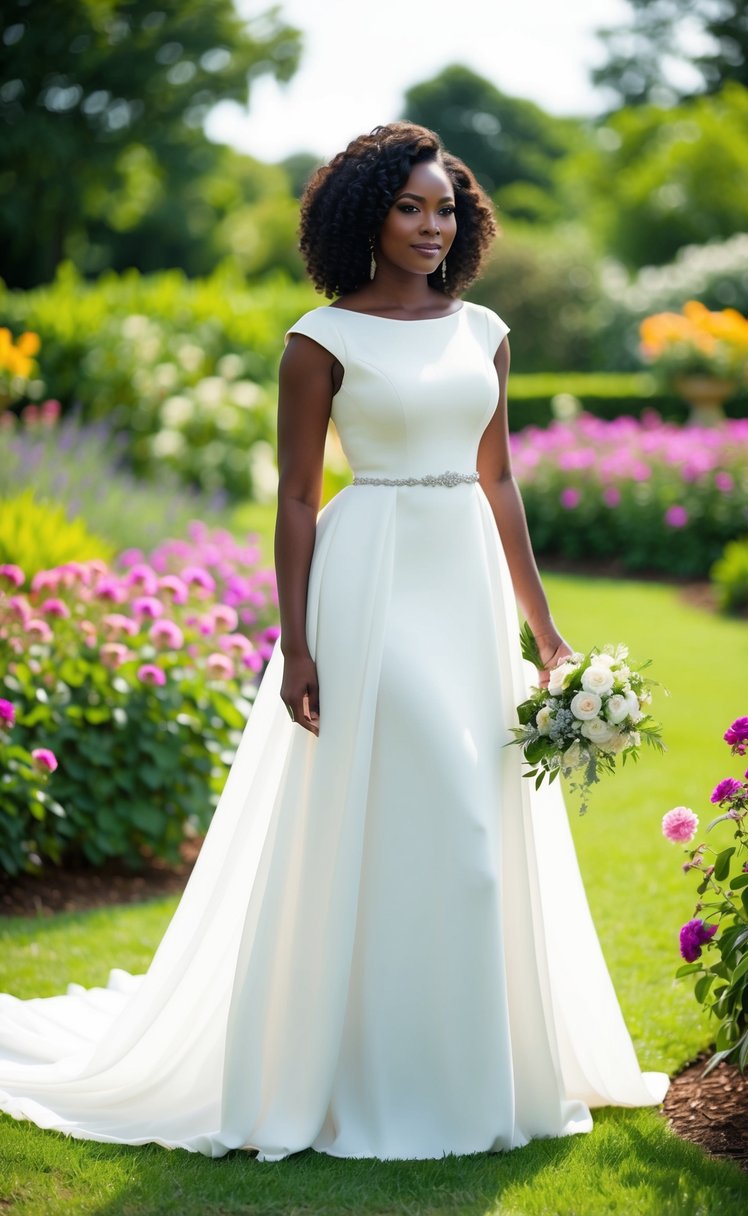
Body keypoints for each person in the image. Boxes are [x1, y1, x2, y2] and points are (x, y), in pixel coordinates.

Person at [0, 123, 669, 1162]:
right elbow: (302, 498)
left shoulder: (484, 329)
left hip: (466, 591)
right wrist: (297, 643)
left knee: (465, 832)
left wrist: (545, 631)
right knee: (438, 813)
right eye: (409, 206)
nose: (430, 224)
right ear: (366, 214)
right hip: (371, 584)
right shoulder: (322, 338)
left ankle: (452, 1074)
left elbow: (499, 482)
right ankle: (383, 1084)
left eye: (444, 206)